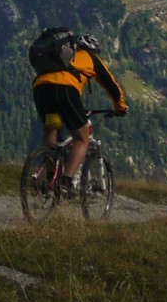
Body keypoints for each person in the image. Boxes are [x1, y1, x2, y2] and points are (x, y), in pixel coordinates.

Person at [32, 32, 127, 195]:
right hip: (65, 91)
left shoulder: (59, 57)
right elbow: (111, 85)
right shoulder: (91, 58)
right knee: (82, 138)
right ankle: (65, 182)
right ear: (93, 49)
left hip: (41, 90)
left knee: (52, 128)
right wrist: (121, 107)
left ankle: (50, 180)